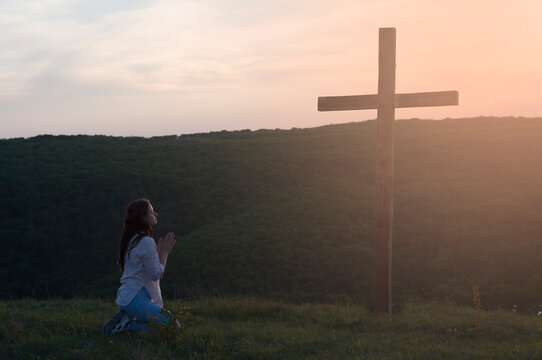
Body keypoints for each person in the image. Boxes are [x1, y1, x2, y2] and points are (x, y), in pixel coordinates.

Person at [103, 198, 178, 335]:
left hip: (128, 297)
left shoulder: (132, 240)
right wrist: (164, 255)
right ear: (143, 217)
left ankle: (127, 320)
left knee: (163, 326)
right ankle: (129, 325)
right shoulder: (146, 242)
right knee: (173, 327)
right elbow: (155, 274)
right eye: (152, 212)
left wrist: (158, 256)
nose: (156, 215)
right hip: (137, 299)